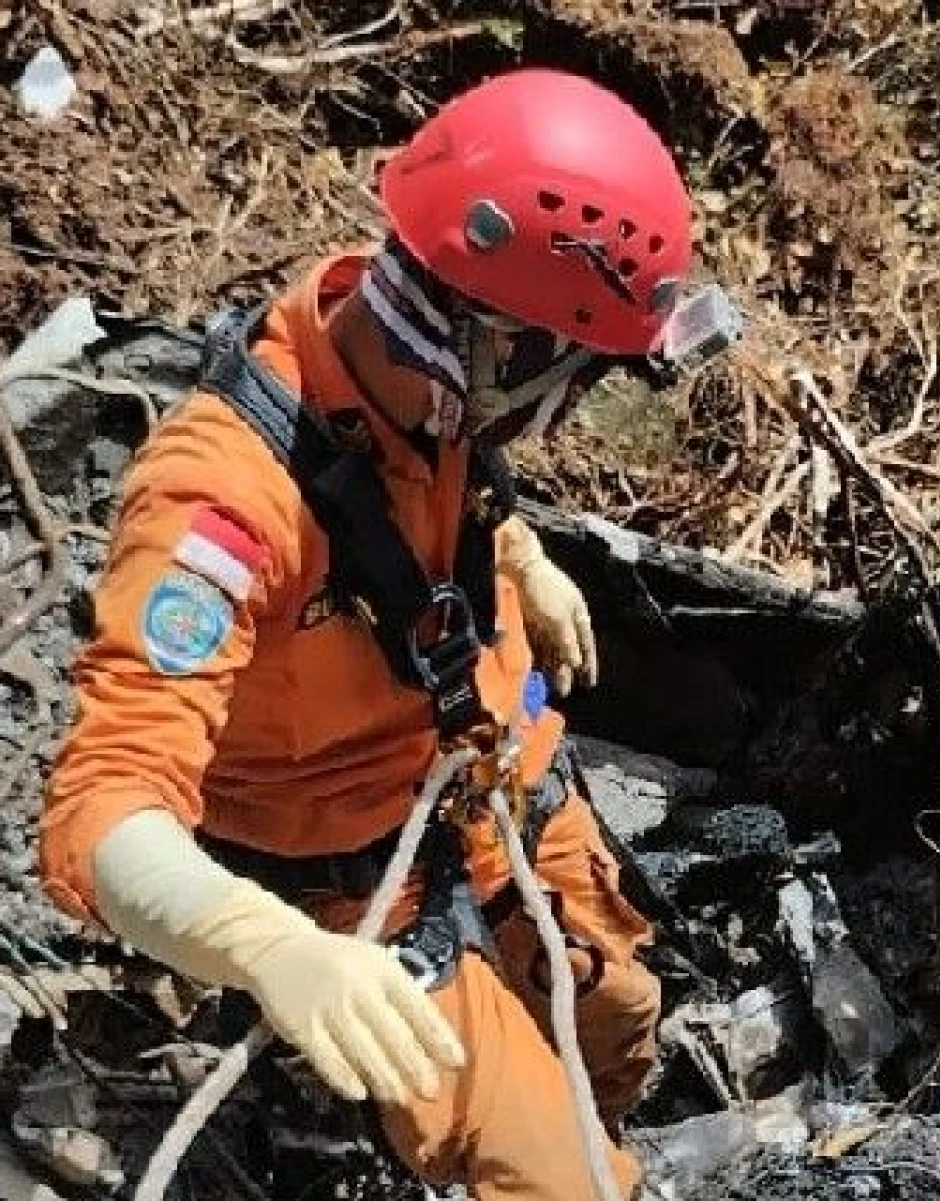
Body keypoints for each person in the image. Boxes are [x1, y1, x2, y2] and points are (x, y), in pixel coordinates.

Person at [38, 67, 736, 1201]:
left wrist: (520, 555)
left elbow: (439, 487)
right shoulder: (221, 506)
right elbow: (104, 809)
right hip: (358, 886)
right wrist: (272, 952)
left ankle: (577, 1107)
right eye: (576, 381)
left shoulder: (414, 368)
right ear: (499, 343)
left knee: (617, 1014)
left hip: (496, 795)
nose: (566, 421)